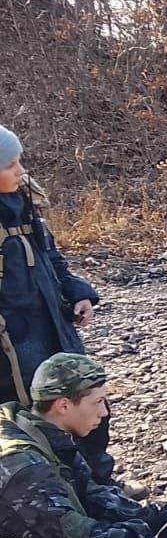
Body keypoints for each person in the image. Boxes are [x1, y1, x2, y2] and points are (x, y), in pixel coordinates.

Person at [0, 354, 167, 538]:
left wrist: (154, 516)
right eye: (97, 402)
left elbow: (92, 493)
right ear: (63, 405)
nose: (104, 413)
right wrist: (151, 533)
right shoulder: (24, 467)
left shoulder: (42, 432)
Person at [0, 126, 100, 410]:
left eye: (20, 161)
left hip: (56, 327)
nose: (21, 171)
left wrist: (77, 293)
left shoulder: (25, 203)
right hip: (13, 346)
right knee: (30, 414)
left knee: (87, 399)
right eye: (10, 165)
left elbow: (51, 257)